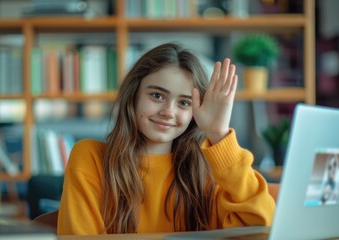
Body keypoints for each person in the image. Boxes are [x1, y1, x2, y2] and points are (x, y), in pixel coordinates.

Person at [57, 42, 276, 235]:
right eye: (157, 96)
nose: (168, 112)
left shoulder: (211, 171)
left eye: (184, 103)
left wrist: (218, 134)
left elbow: (263, 226)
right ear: (133, 96)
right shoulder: (89, 157)